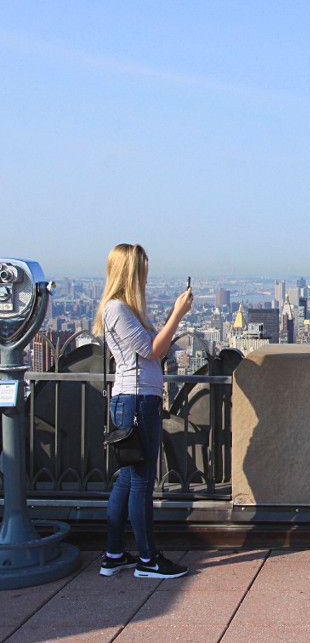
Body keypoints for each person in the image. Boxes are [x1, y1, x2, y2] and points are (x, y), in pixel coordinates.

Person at [93, 243, 193, 578]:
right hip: (135, 401)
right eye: (142, 269)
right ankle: (147, 559)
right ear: (130, 272)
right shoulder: (117, 310)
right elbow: (152, 350)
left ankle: (113, 553)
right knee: (141, 480)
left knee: (127, 480)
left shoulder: (129, 310)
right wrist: (177, 314)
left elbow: (155, 348)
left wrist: (170, 319)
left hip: (137, 398)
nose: (146, 276)